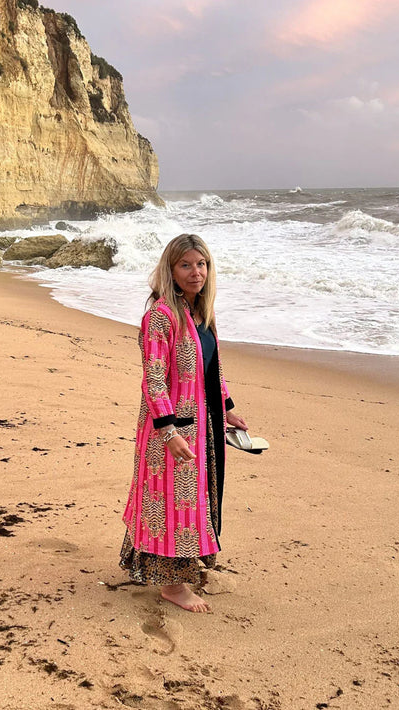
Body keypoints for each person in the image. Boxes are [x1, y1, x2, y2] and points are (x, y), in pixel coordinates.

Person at [120, 234, 247, 613]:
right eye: (186, 265)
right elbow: (153, 380)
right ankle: (173, 586)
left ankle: (175, 572)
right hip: (171, 428)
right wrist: (169, 432)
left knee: (191, 502)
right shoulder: (161, 317)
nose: (196, 272)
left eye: (201, 264)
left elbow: (212, 368)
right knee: (171, 505)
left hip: (202, 425)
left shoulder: (201, 312)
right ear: (171, 270)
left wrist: (227, 408)